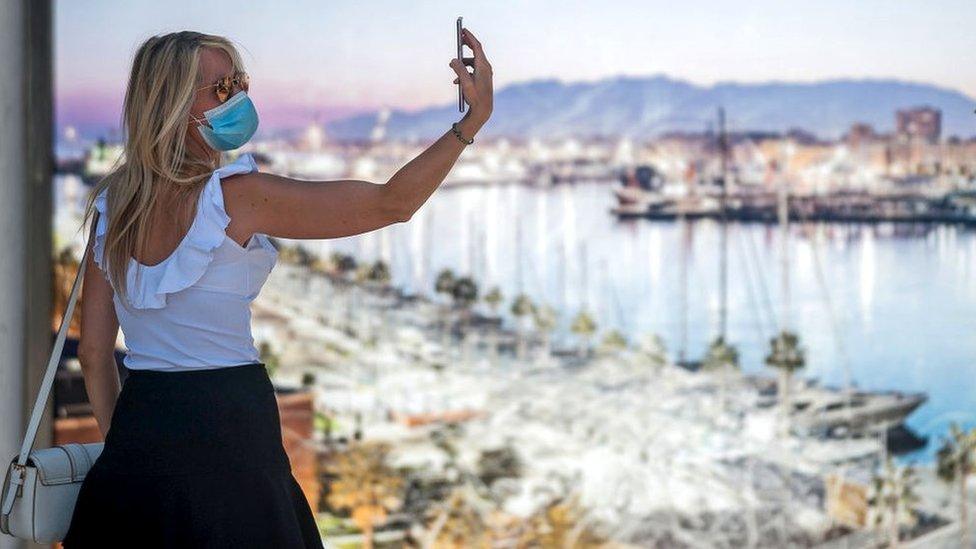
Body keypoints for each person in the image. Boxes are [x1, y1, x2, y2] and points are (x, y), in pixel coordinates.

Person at [62, 28, 493, 548]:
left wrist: (127, 450)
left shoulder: (113, 206)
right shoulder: (238, 198)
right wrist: (471, 122)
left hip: (140, 428)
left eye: (239, 82)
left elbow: (92, 352)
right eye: (220, 88)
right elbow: (392, 203)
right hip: (230, 422)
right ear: (173, 105)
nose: (239, 98)